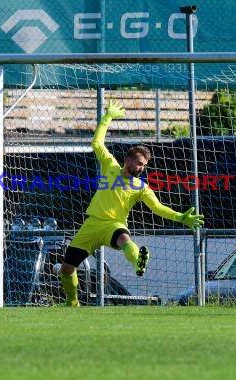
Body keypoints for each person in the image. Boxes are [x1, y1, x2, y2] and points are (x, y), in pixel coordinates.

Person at [59, 100, 205, 307]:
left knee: (125, 240)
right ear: (128, 160)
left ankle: (139, 261)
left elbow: (157, 208)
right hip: (91, 225)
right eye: (139, 163)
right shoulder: (110, 166)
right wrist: (107, 118)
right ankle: (72, 303)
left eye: (145, 165)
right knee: (67, 268)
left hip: (113, 225)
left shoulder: (141, 187)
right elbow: (97, 144)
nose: (142, 167)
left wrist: (181, 217)